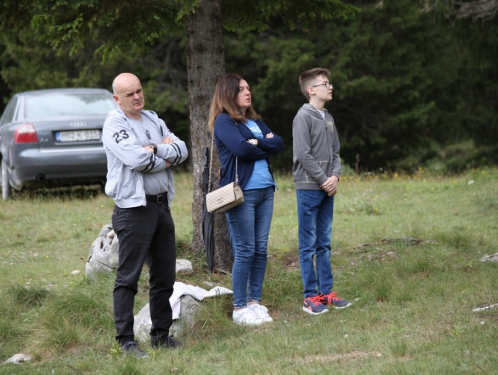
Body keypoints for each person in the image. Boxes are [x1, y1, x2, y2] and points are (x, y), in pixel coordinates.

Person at [103, 73, 188, 357]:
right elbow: (136, 160)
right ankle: (126, 341)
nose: (137, 96)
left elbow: (182, 151)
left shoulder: (153, 118)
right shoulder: (115, 123)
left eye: (139, 90)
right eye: (130, 94)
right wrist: (164, 157)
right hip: (133, 210)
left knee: (164, 276)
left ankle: (161, 335)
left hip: (161, 206)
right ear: (117, 99)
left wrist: (155, 148)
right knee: (129, 277)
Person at [207, 73, 284, 325]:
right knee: (245, 250)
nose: (248, 92)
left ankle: (255, 303)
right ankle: (239, 309)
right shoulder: (223, 121)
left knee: (260, 249)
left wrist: (256, 141)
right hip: (242, 193)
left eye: (248, 88)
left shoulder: (254, 121)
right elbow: (241, 149)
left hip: (266, 190)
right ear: (229, 94)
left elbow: (280, 143)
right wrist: (263, 144)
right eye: (241, 89)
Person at [292, 68, 351, 315]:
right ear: (311, 90)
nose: (331, 87)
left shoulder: (328, 117)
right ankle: (310, 297)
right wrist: (324, 179)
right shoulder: (302, 116)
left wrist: (335, 177)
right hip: (309, 187)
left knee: (324, 243)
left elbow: (336, 153)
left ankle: (327, 293)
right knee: (308, 244)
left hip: (328, 187)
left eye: (330, 83)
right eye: (325, 83)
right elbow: (303, 155)